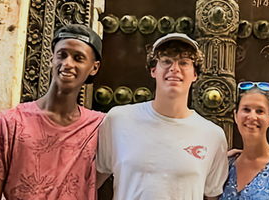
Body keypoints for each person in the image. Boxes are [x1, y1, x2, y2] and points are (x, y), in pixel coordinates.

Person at [0, 23, 103, 200]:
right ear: (51, 59)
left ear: (94, 67)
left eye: (78, 58)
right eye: (61, 55)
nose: (67, 63)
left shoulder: (100, 127)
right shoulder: (9, 123)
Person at [96, 33, 229, 199]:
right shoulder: (118, 119)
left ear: (195, 74)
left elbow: (213, 195)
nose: (174, 68)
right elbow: (91, 183)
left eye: (184, 62)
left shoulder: (213, 136)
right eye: (166, 61)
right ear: (153, 70)